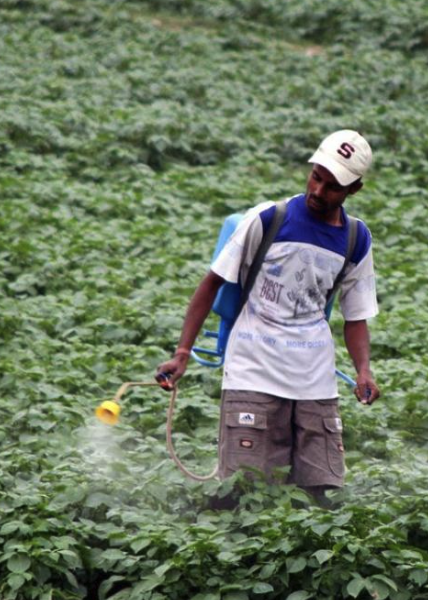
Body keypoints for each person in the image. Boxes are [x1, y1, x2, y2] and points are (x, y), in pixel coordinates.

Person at [156, 130, 380, 502]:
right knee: (245, 494)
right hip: (253, 372)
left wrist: (363, 371)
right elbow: (211, 284)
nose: (318, 191)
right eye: (316, 177)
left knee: (320, 496)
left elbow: (355, 317)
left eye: (332, 187)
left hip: (315, 382)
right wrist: (182, 353)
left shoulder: (357, 238)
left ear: (353, 190)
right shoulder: (267, 219)